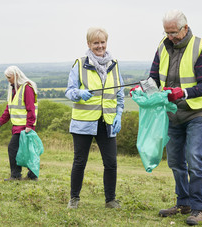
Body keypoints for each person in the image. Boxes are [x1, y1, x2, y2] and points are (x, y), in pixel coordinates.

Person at [147, 10, 202, 225]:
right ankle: (183, 203)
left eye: (173, 32)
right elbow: (153, 78)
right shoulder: (162, 46)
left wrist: (182, 92)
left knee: (194, 159)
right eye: (166, 32)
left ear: (185, 28)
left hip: (196, 112)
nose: (170, 37)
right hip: (172, 112)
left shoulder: (200, 47)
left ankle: (198, 209)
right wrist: (143, 90)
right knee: (176, 162)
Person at [65, 27, 125, 209]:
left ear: (107, 43)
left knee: (111, 163)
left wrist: (119, 115)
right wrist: (78, 93)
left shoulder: (114, 64)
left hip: (107, 122)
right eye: (96, 43)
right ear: (89, 44)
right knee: (79, 162)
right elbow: (69, 91)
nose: (100, 46)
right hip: (83, 123)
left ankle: (110, 200)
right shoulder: (80, 64)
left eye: (102, 42)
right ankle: (74, 199)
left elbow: (120, 94)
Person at [0, 66, 39, 181]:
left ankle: (16, 175)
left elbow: (31, 109)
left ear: (16, 75)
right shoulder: (14, 89)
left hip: (25, 127)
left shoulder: (26, 88)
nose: (8, 79)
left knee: (13, 148)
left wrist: (29, 125)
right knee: (26, 151)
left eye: (9, 77)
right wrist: (0, 123)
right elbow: (9, 109)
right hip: (17, 126)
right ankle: (32, 176)